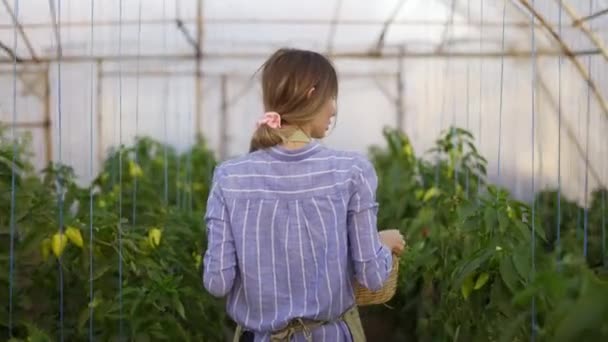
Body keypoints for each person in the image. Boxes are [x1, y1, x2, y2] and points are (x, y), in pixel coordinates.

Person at [202, 48, 406, 342]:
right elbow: (372, 278)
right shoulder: (351, 172)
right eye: (331, 98)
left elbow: (217, 281)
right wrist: (381, 244)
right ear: (312, 93)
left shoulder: (230, 177)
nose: (334, 109)